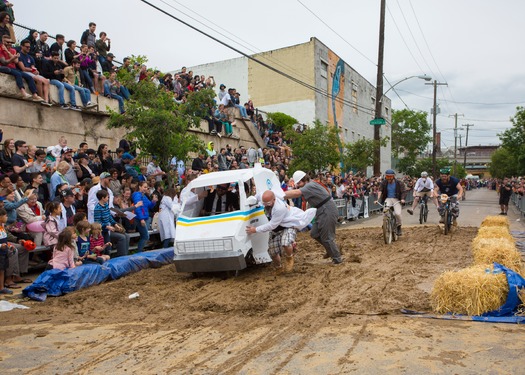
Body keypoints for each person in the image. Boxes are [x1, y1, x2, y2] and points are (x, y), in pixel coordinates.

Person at [246, 190, 315, 274]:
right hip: (276, 228)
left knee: (285, 242)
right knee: (272, 251)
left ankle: (289, 257)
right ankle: (278, 267)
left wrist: (255, 229)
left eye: (268, 203)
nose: (265, 205)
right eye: (264, 203)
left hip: (288, 224)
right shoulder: (262, 196)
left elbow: (272, 225)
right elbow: (255, 198)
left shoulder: (279, 208)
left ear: (274, 200)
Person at [284, 171, 342, 264]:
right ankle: (331, 249)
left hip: (327, 210)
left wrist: (279, 195)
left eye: (299, 183)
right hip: (321, 210)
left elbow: (296, 193)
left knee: (327, 237)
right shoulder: (310, 184)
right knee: (314, 233)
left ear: (304, 180)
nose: (298, 185)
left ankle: (337, 258)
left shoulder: (309, 185)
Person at [375, 169, 407, 236]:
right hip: (388, 199)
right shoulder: (384, 183)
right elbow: (380, 191)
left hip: (397, 199)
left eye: (390, 177)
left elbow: (403, 191)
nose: (389, 179)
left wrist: (402, 199)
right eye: (387, 177)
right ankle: (385, 223)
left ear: (393, 177)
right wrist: (377, 199)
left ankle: (398, 226)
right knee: (385, 210)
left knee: (397, 213)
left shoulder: (399, 183)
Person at [131, 181, 158, 252]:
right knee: (146, 236)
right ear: (140, 187)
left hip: (144, 218)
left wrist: (153, 201)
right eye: (144, 187)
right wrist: (141, 218)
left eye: (147, 187)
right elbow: (138, 208)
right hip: (140, 219)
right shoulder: (137, 195)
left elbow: (149, 206)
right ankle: (139, 252)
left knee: (144, 236)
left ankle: (140, 251)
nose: (146, 189)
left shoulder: (144, 196)